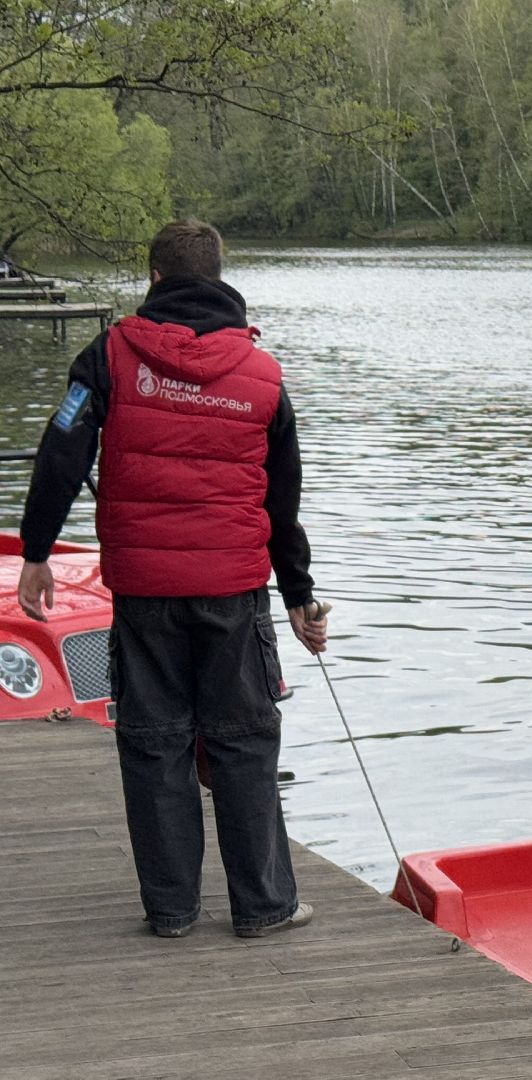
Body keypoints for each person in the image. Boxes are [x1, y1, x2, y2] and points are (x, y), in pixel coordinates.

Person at [16, 219, 328, 939]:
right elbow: (282, 502)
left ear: (154, 277)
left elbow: (61, 448)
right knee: (244, 739)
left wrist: (36, 551)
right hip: (233, 591)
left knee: (154, 740)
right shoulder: (264, 377)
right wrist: (300, 595)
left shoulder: (108, 356)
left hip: (145, 590)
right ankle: (264, 907)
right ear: (218, 277)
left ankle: (171, 911)